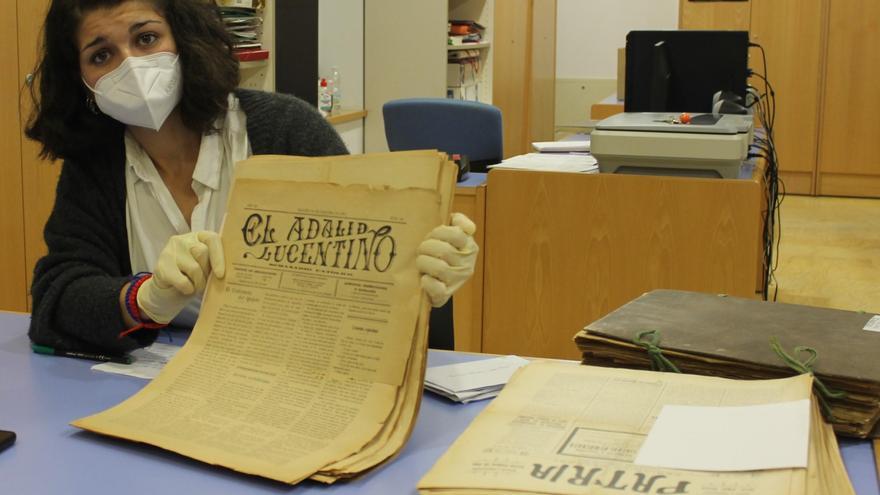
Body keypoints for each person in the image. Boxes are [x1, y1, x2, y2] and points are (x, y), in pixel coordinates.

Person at [25, 0, 477, 354]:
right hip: (166, 385)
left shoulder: (285, 130)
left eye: (146, 39)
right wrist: (142, 300)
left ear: (183, 38)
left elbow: (379, 261)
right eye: (101, 54)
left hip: (298, 373)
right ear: (81, 79)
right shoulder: (96, 165)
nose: (130, 66)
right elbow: (56, 299)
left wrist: (429, 267)